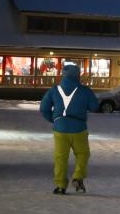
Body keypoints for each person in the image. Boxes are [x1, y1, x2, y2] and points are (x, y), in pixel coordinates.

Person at [39, 63, 99, 194]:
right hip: (79, 129)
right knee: (83, 154)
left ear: (63, 75)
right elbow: (94, 107)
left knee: (60, 157)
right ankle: (78, 176)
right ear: (78, 75)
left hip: (60, 129)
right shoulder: (85, 90)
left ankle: (60, 185)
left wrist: (54, 120)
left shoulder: (54, 90)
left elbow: (44, 108)